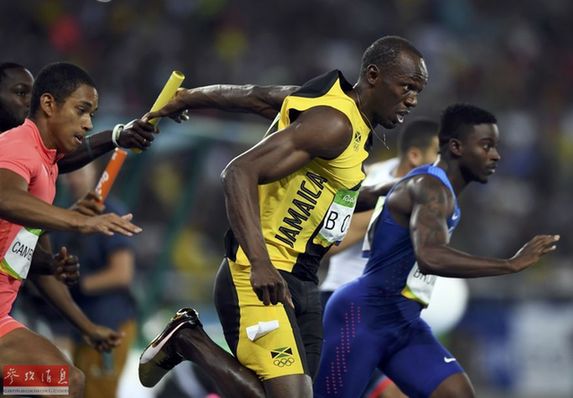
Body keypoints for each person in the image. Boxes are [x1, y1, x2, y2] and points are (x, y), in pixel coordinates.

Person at [139, 35, 428, 398]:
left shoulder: (335, 110)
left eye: (418, 91)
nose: (413, 100)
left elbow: (253, 95)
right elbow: (238, 172)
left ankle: (188, 341)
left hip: (302, 278)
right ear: (373, 76)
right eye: (407, 87)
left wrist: (187, 98)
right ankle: (188, 340)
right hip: (260, 273)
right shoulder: (334, 123)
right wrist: (260, 262)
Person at [313, 104, 560, 398]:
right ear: (456, 147)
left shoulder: (428, 183)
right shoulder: (430, 188)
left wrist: (365, 200)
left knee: (457, 394)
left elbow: (377, 193)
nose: (496, 155)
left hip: (403, 322)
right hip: (361, 316)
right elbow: (429, 257)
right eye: (486, 146)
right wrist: (510, 264)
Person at [0, 62, 142, 398]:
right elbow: (4, 197)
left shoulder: (45, 165)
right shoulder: (16, 145)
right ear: (49, 105)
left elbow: (27, 260)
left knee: (60, 384)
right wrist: (81, 220)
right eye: (81, 111)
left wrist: (86, 327)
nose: (88, 123)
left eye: (91, 114)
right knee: (65, 383)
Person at [320, 118, 439, 398]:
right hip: (346, 303)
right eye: (439, 154)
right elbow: (324, 245)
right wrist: (368, 221)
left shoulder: (429, 191)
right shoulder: (371, 184)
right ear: (415, 155)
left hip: (386, 310)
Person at [49, 163, 138, 398]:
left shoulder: (110, 212)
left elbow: (122, 274)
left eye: (80, 171)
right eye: (70, 173)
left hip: (108, 324)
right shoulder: (61, 215)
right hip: (75, 326)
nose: (74, 179)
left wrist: (78, 284)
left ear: (95, 173)